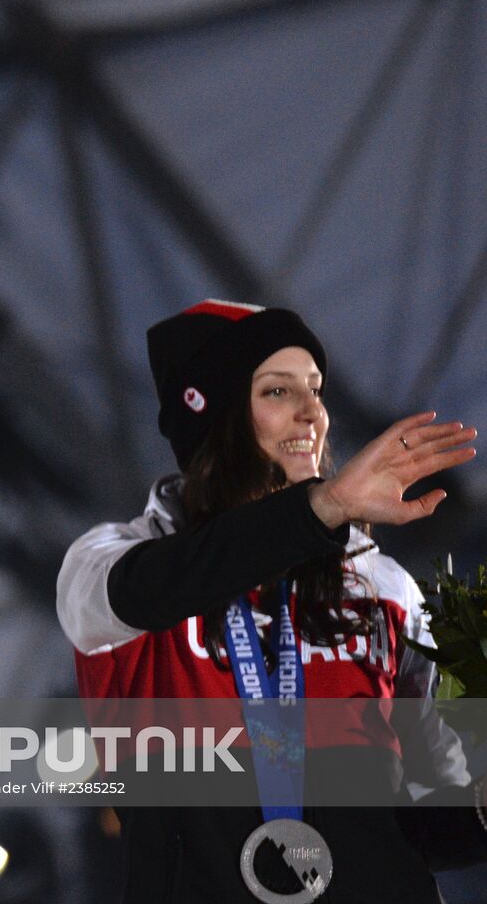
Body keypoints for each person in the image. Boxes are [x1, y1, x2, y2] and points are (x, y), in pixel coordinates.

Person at [56, 299, 487, 902]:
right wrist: (327, 507)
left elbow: (436, 812)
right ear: (215, 415)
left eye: (316, 390)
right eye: (279, 392)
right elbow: (165, 583)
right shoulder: (108, 565)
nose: (314, 413)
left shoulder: (382, 587)